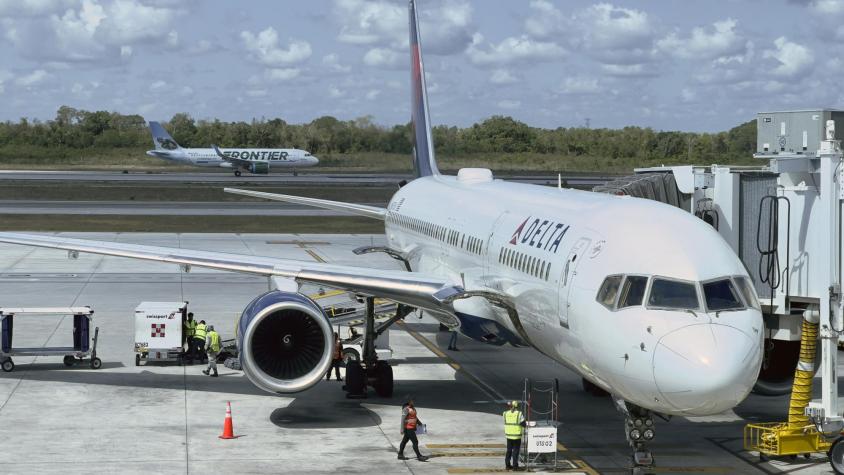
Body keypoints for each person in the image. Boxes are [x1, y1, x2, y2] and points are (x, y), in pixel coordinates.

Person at [503, 400, 525, 471]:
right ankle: (515, 466)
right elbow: (523, 424)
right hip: (516, 436)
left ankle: (507, 465)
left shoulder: (505, 413)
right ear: (516, 406)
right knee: (515, 451)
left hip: (509, 435)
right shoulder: (519, 413)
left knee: (509, 450)